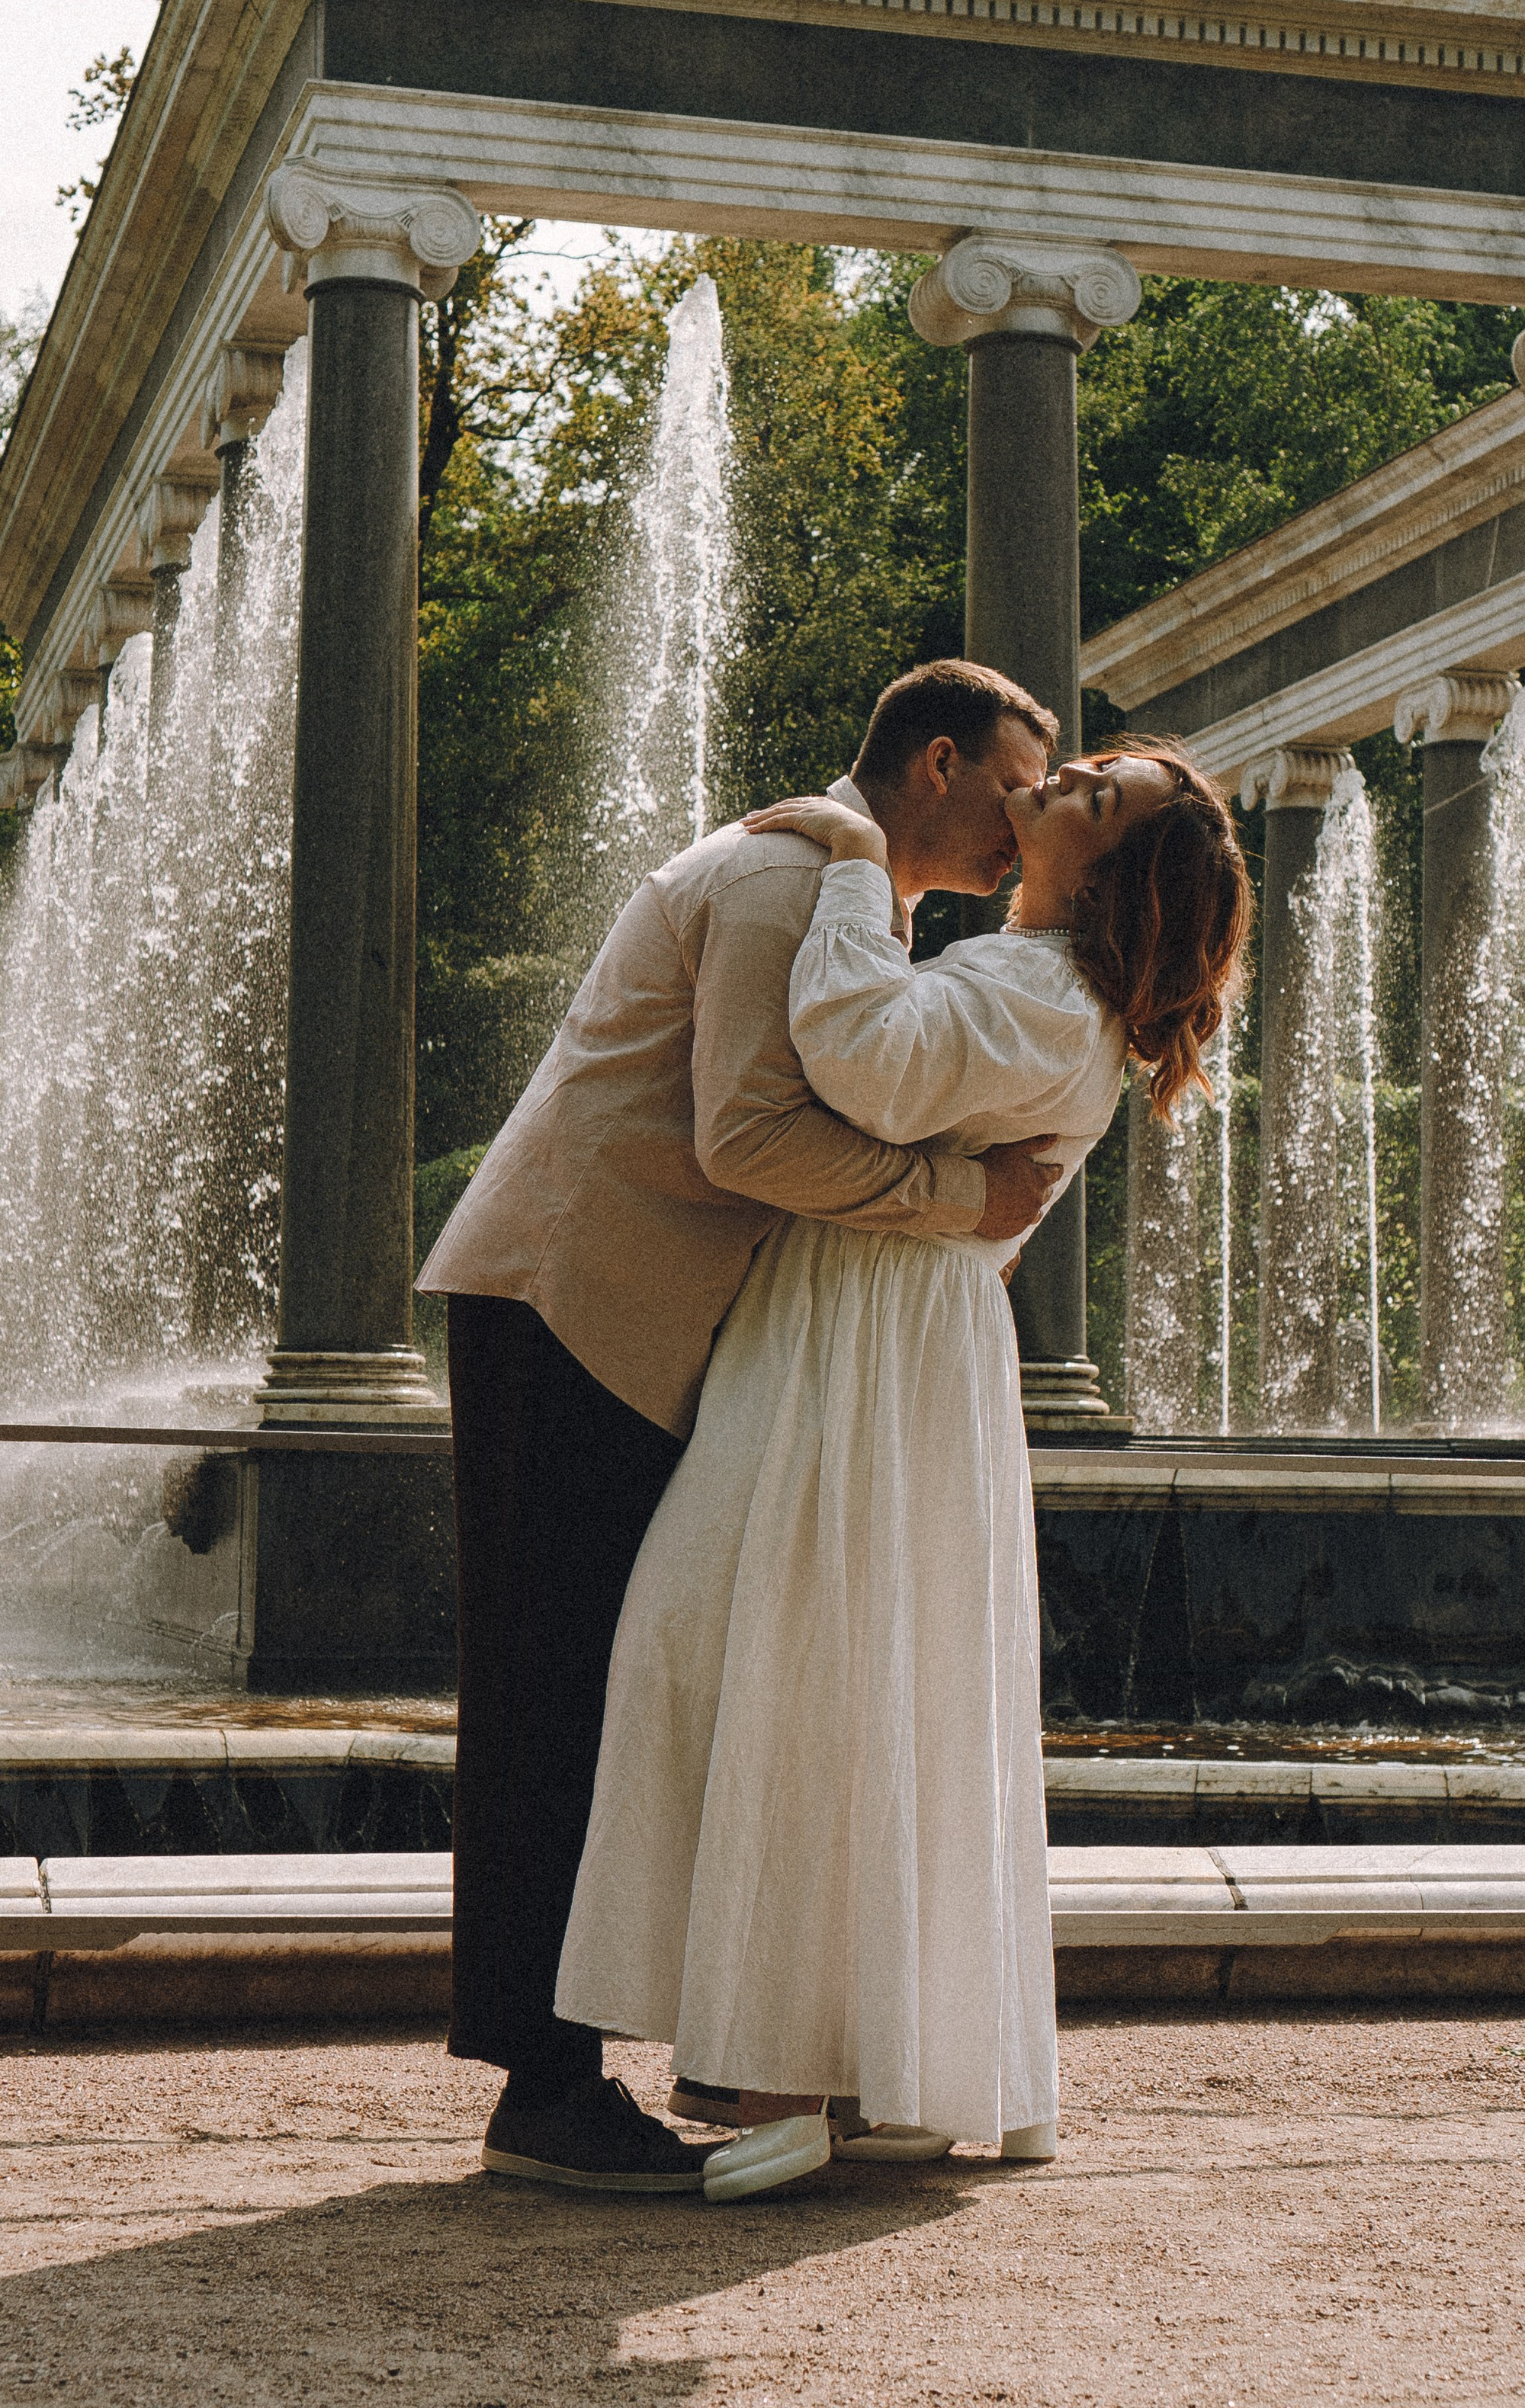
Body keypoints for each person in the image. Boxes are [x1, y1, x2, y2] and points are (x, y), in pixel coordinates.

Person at [555, 736, 1251, 2198]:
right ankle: (886, 2062)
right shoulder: (1038, 985)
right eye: (1088, 766)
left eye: (1097, 796)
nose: (1064, 780)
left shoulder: (1039, 990)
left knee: (763, 1657)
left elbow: (858, 1051)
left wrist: (859, 859)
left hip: (860, 1339)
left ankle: (789, 2071)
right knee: (839, 1671)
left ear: (1112, 875)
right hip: (881, 1331)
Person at [416, 659, 1068, 2192]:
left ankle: (596, 2064)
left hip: (610, 1310)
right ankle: (543, 2090)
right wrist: (963, 1199)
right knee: (556, 1687)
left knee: (609, 1676)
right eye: (1014, 787)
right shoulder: (787, 877)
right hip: (572, 1298)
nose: (1028, 824)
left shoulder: (846, 889)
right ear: (933, 764)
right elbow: (750, 1137)